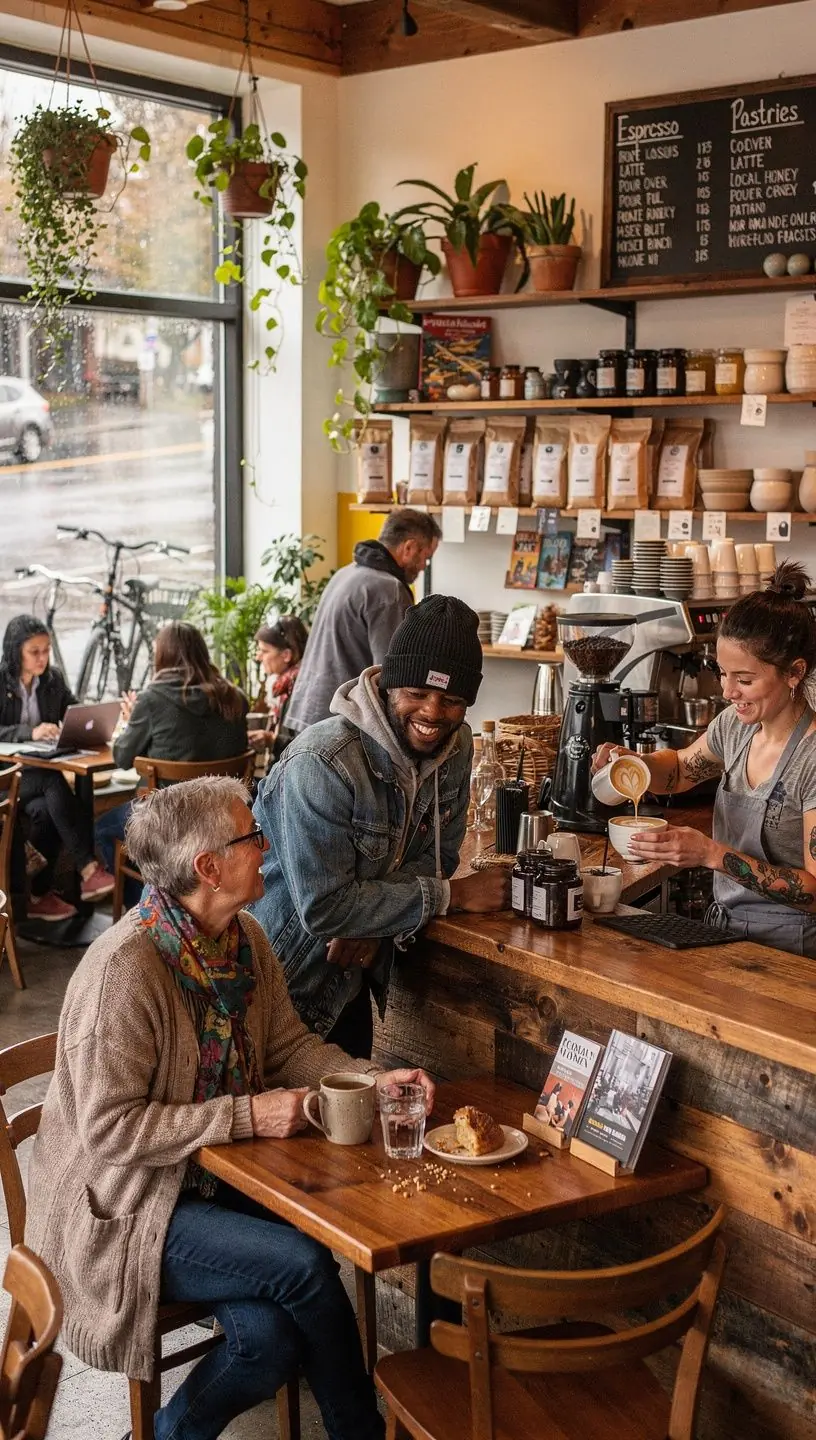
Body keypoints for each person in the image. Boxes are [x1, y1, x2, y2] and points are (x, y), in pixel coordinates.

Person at [25, 776, 434, 1440]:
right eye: (252, 835)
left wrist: (372, 1078)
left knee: (267, 1339)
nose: (267, 845)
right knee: (303, 1265)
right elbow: (108, 1131)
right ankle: (359, 1431)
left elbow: (290, 1046)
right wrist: (248, 1116)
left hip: (209, 1180)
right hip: (125, 1205)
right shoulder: (125, 972)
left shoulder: (242, 939)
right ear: (207, 867)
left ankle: (159, 1435)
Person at [252, 595, 510, 1058]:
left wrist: (373, 921)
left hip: (350, 983)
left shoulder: (457, 746)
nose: (433, 713)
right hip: (278, 991)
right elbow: (326, 908)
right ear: (388, 684)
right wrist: (451, 896)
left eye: (452, 700)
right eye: (416, 693)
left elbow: (440, 856)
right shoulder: (322, 762)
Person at [592, 562, 816, 958]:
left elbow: (814, 892)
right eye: (722, 672)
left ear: (795, 672)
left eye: (744, 680)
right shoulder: (736, 725)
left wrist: (711, 854)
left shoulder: (811, 758)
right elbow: (679, 770)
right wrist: (635, 765)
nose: (728, 691)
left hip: (794, 952)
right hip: (726, 933)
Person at [95, 620, 248, 885]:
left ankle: (146, 910)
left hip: (168, 821)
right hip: (225, 819)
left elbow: (121, 758)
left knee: (102, 829)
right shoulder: (234, 697)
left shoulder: (153, 699)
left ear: (163, 656)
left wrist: (133, 722)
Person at [0, 613, 115, 921]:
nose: (42, 658)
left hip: (33, 776)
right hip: (5, 777)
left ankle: (36, 897)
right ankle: (88, 868)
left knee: (46, 812)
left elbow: (77, 711)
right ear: (15, 652)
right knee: (52, 782)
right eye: (34, 651)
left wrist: (84, 726)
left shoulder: (52, 679)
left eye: (46, 650)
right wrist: (30, 732)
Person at [285, 509, 442, 734]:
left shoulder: (346, 574)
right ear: (408, 548)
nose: (424, 566)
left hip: (307, 710)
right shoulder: (389, 590)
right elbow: (392, 673)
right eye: (425, 557)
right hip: (339, 722)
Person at [248, 615, 308, 762]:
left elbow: (307, 747)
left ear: (286, 655)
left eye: (265, 651)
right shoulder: (283, 684)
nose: (258, 657)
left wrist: (272, 740)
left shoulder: (300, 688)